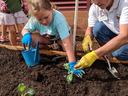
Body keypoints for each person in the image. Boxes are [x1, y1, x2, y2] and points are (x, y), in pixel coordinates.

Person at [21, 0, 85, 77]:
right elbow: (24, 30)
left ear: (51, 10)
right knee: (31, 38)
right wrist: (26, 35)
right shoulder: (34, 18)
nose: (44, 22)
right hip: (48, 38)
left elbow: (66, 42)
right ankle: (48, 50)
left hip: (62, 38)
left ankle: (59, 47)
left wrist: (72, 64)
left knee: (68, 49)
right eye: (40, 19)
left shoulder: (58, 19)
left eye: (46, 17)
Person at [75, 0, 128, 69]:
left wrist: (95, 55)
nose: (96, 2)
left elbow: (124, 36)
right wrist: (87, 37)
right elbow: (90, 28)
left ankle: (118, 58)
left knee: (119, 53)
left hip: (125, 37)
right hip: (118, 35)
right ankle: (109, 55)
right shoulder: (96, 6)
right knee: (97, 28)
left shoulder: (125, 4)